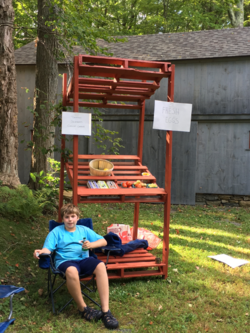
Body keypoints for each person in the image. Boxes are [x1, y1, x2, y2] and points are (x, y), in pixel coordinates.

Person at [33, 203, 119, 330]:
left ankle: (106, 311)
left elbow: (104, 241)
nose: (70, 220)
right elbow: (47, 248)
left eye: (73, 216)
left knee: (100, 265)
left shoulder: (83, 230)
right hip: (65, 262)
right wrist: (40, 251)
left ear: (77, 217)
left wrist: (91, 245)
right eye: (67, 217)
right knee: (72, 270)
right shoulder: (56, 232)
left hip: (84, 260)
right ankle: (83, 309)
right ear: (63, 218)